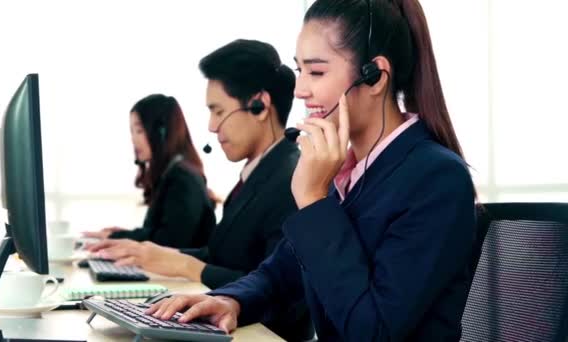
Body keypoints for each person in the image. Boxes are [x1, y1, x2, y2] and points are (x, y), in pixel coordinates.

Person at [142, 1, 478, 341]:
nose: (300, 90)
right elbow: (280, 273)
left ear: (374, 76)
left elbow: (372, 331)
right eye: (299, 70)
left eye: (316, 72)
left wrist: (314, 200)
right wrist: (231, 300)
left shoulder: (436, 179)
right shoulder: (351, 174)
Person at [87, 40, 314, 341]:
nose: (211, 126)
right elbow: (224, 255)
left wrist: (186, 266)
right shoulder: (258, 173)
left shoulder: (292, 180)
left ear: (259, 105)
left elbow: (282, 288)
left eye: (218, 111)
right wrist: (160, 254)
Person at [83, 94, 215, 249]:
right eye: (132, 131)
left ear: (162, 132)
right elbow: (161, 233)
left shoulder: (182, 178)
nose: (133, 139)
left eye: (139, 130)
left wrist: (119, 237)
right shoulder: (172, 173)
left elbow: (169, 242)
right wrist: (124, 235)